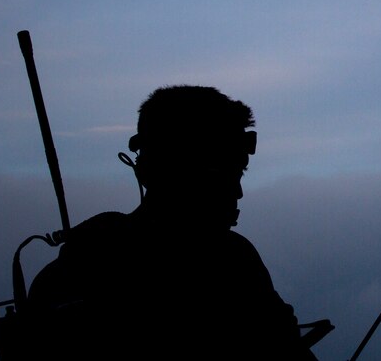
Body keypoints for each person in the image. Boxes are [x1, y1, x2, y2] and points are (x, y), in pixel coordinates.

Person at [23, 85, 324, 359]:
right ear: (169, 172)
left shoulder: (235, 259)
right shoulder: (95, 262)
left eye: (238, 174)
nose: (237, 192)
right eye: (220, 176)